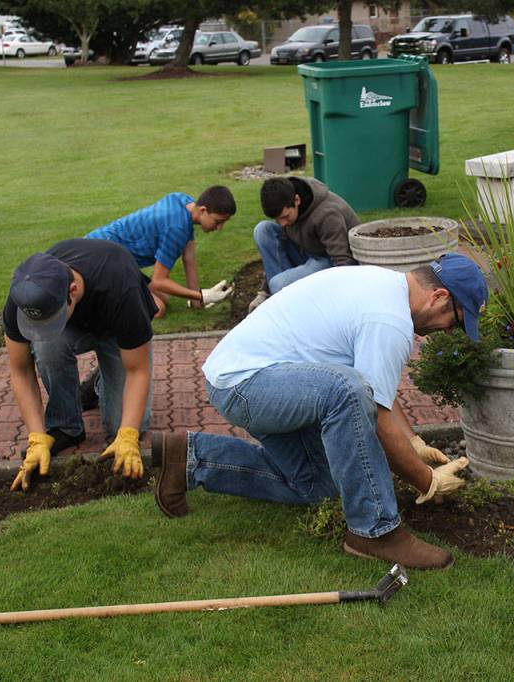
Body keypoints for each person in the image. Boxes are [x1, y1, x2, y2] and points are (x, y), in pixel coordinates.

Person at [150, 253, 488, 570]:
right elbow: (370, 408)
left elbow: (375, 390)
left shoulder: (382, 285)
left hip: (252, 379)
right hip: (248, 384)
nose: (448, 331)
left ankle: (190, 458)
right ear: (439, 296)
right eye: (455, 322)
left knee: (319, 485)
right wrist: (426, 480)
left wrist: (412, 441)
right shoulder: (390, 320)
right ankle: (376, 532)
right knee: (346, 392)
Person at [3, 239, 158, 491]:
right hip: (72, 327)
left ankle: (100, 382)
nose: (43, 326)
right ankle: (66, 426)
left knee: (126, 424)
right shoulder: (23, 297)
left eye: (51, 318)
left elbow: (137, 370)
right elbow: (20, 370)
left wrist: (128, 434)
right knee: (45, 344)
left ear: (72, 291)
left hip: (116, 330)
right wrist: (36, 438)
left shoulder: (122, 288)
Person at [85, 186, 236, 319]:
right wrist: (203, 295)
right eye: (218, 221)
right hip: (100, 260)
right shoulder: (176, 229)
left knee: (163, 296)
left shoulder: (184, 201)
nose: (220, 227)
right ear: (203, 210)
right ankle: (94, 302)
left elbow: (189, 258)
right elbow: (159, 280)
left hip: (115, 258)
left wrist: (199, 301)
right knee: (157, 309)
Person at [247, 176, 360, 312]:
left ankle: (287, 304)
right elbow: (275, 254)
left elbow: (345, 264)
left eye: (284, 217)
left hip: (330, 261)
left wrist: (342, 304)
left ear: (297, 200)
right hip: (307, 253)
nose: (282, 223)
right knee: (263, 230)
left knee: (279, 284)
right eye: (277, 220)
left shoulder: (327, 214)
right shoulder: (285, 197)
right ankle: (280, 298)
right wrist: (264, 291)